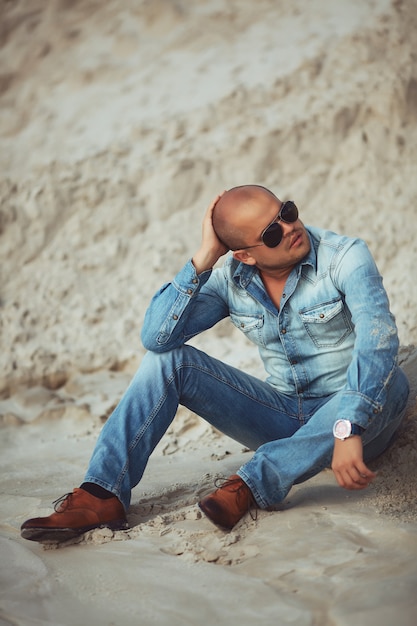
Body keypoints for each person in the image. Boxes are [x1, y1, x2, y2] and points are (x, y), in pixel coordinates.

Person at [21, 185, 409, 543]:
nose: (291, 227)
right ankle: (101, 493)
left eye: (287, 211)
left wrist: (347, 425)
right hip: (287, 418)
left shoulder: (345, 256)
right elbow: (157, 338)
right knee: (168, 361)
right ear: (245, 254)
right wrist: (203, 259)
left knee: (391, 377)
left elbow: (378, 344)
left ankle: (250, 484)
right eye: (272, 232)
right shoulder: (232, 280)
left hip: (360, 421)